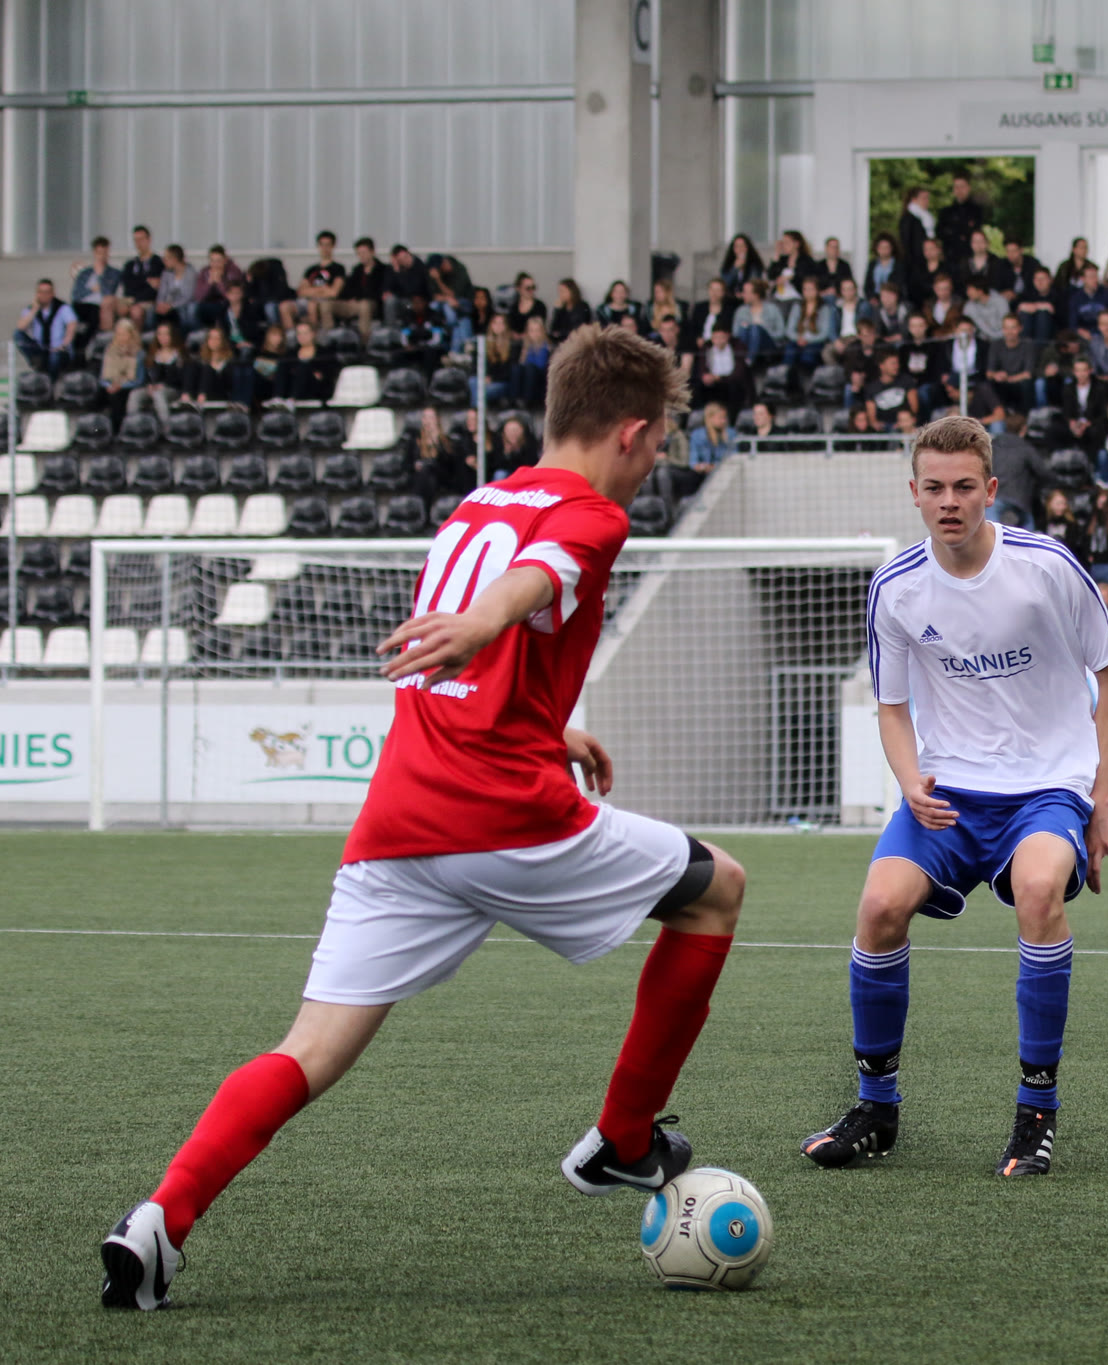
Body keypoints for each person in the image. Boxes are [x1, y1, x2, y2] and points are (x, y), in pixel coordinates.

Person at [99, 328, 744, 1310]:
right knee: (716, 889)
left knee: (308, 1050)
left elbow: (482, 650)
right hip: (504, 818)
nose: (657, 459)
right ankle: (622, 1139)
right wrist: (488, 623)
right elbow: (533, 583)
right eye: (659, 442)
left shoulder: (477, 504)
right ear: (631, 431)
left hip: (400, 823)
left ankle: (158, 1223)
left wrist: (547, 722)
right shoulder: (591, 516)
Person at [801, 415, 1108, 1178]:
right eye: (935, 487)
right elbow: (891, 706)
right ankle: (876, 1108)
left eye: (964, 487)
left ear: (991, 490)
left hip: (1045, 789)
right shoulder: (895, 586)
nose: (949, 501)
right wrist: (909, 779)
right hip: (948, 791)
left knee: (1040, 890)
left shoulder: (1047, 566)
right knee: (880, 905)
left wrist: (1101, 797)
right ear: (914, 492)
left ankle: (1036, 1111)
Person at [14, 278, 77, 375]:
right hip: (41, 349)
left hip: (59, 350)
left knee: (55, 357)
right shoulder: (32, 309)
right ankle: (37, 361)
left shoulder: (62, 308)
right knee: (18, 335)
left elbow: (72, 326)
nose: (44, 295)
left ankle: (50, 379)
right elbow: (20, 327)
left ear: (52, 293)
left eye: (47, 292)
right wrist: (34, 310)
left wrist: (64, 345)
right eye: (41, 292)